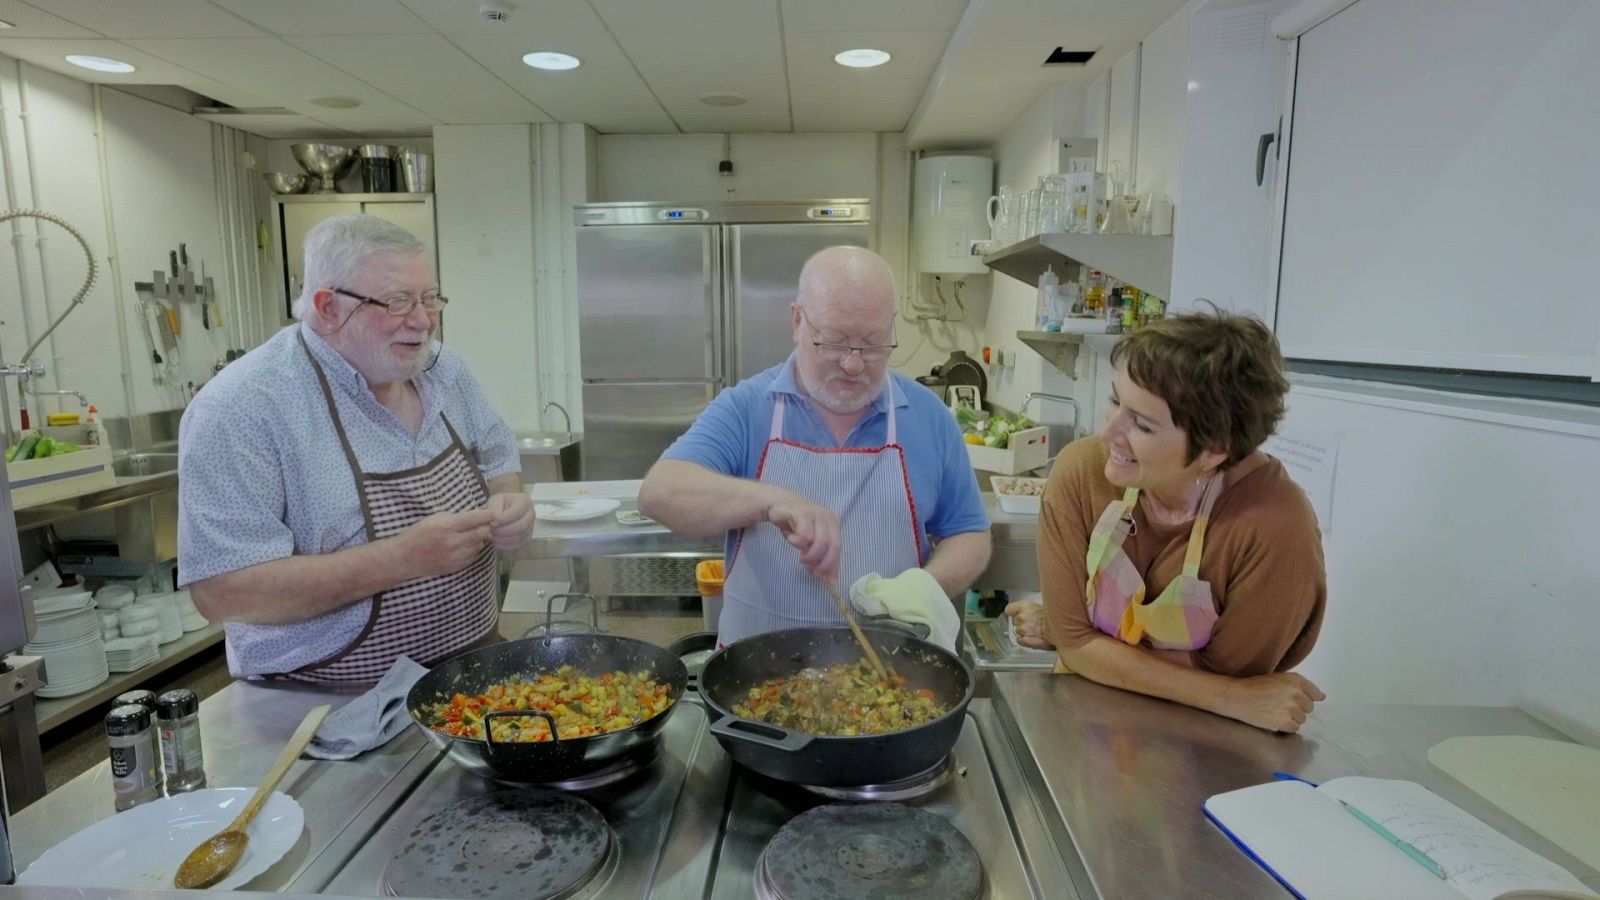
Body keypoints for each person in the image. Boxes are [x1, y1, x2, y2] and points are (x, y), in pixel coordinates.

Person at [177, 214, 534, 683]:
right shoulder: (241, 408)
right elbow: (224, 592)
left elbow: (497, 456)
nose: (424, 321)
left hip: (471, 671)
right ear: (328, 307)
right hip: (325, 702)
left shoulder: (444, 371)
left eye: (429, 299)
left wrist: (509, 501)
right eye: (398, 302)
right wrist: (403, 558)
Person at [638, 246, 991, 643]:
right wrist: (772, 501)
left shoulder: (928, 417)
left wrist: (923, 587)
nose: (854, 364)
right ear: (797, 321)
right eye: (835, 342)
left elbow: (970, 533)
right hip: (753, 679)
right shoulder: (748, 408)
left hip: (891, 679)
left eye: (873, 343)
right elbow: (660, 492)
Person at [1006, 308, 1326, 733]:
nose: (1108, 434)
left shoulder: (1275, 530)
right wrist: (1076, 642)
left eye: (1140, 424)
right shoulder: (1081, 472)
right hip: (1081, 728)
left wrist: (1086, 644)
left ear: (1214, 449)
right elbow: (1077, 643)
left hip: (1200, 746)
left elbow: (1230, 683)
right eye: (1116, 401)